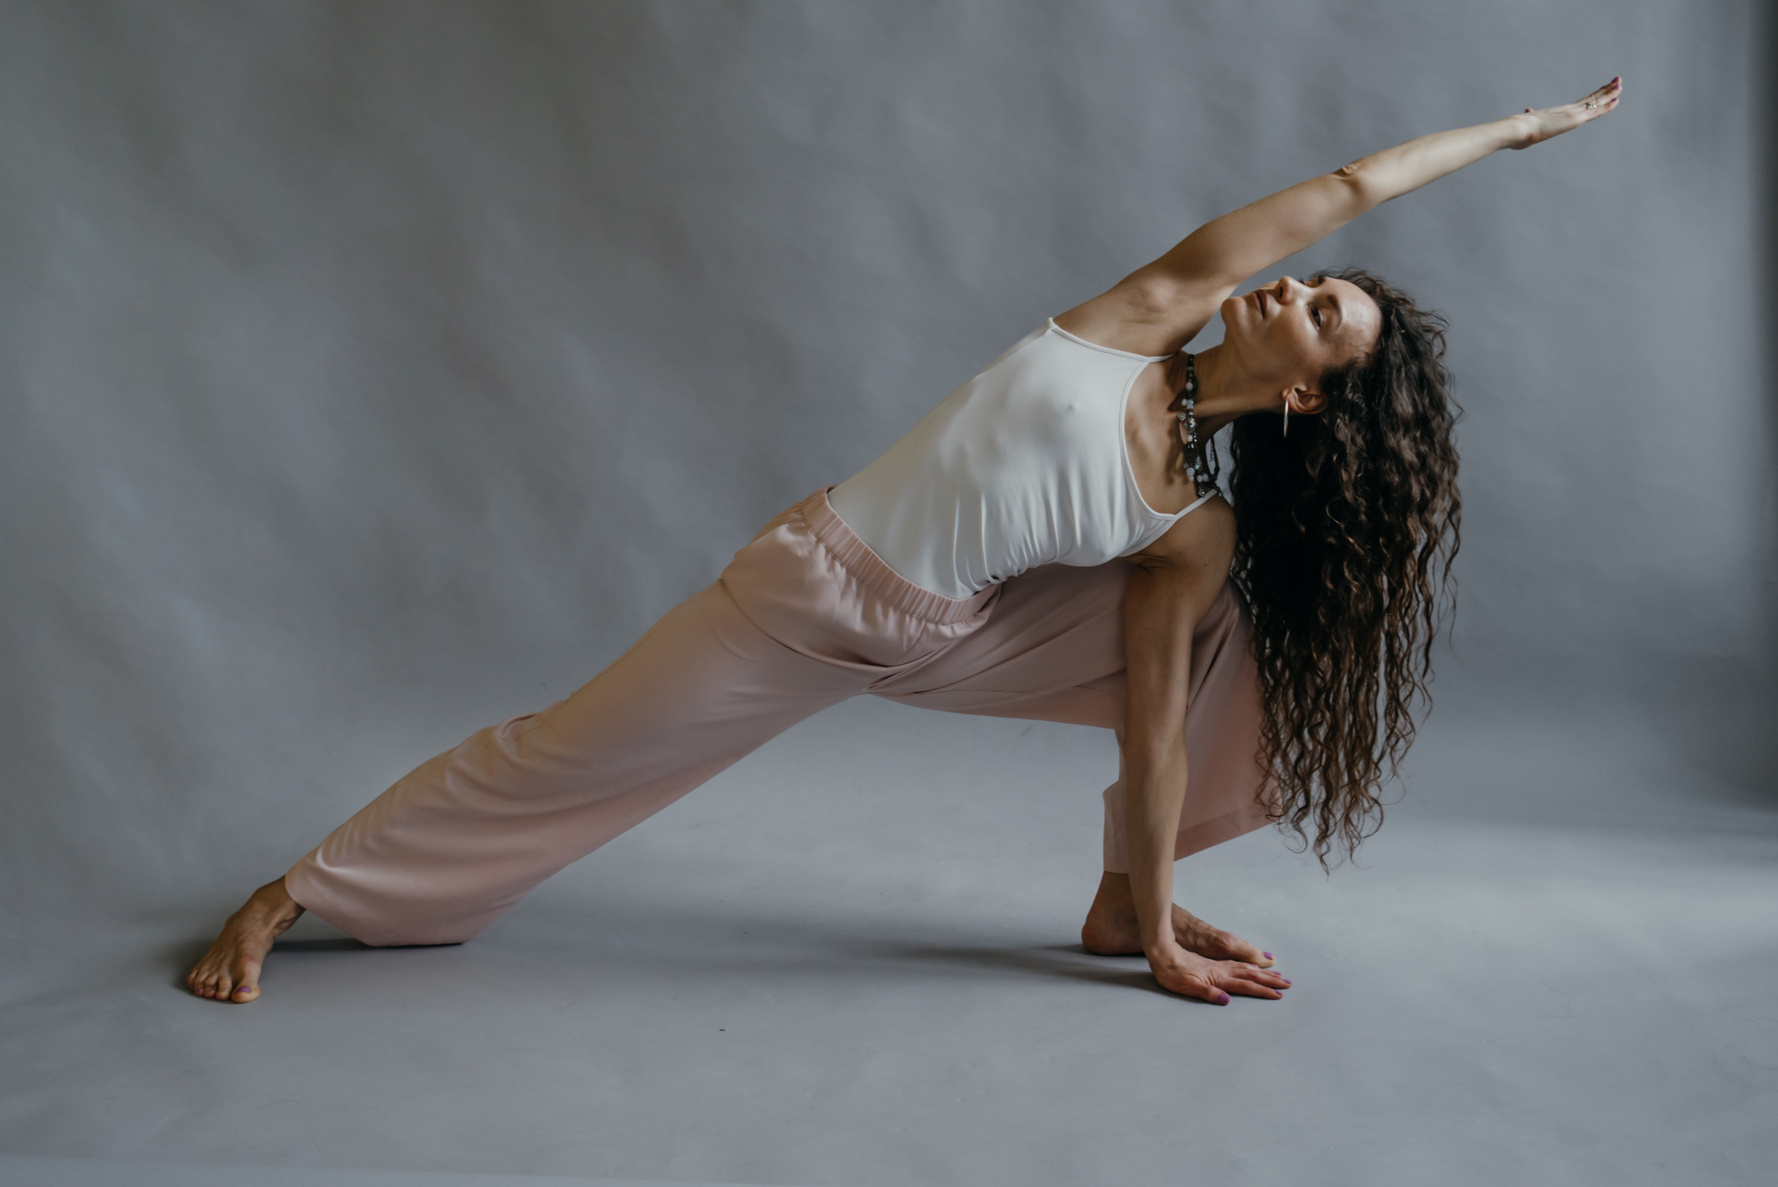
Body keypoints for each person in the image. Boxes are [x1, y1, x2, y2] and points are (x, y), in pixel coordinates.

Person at [188, 78, 1622, 1007]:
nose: (1293, 287)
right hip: (799, 596)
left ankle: (1123, 909)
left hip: (941, 639)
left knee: (1221, 650)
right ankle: (295, 891)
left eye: (1317, 315)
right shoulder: (1146, 312)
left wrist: (1166, 919)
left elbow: (1150, 734)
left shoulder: (1192, 524)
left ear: (1306, 395)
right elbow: (1347, 188)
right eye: (1308, 285)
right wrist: (1514, 132)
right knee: (566, 752)